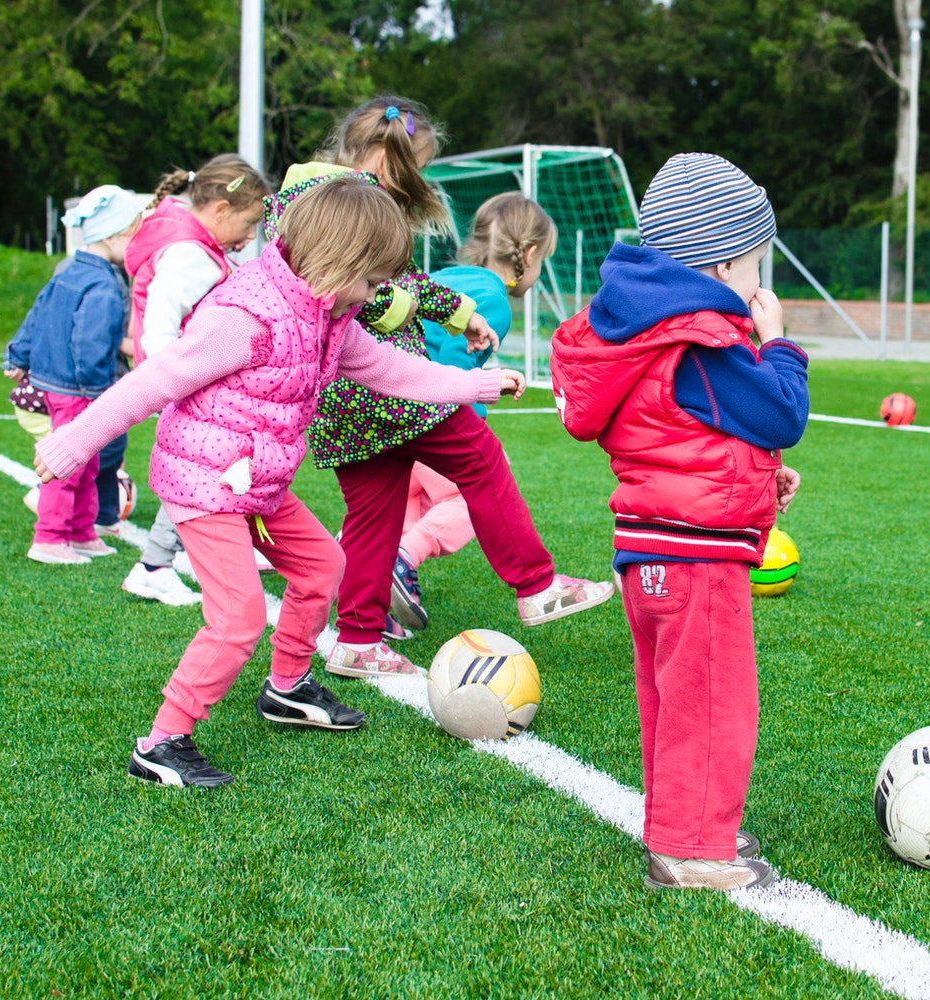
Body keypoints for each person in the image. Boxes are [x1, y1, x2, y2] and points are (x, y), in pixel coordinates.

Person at [33, 175, 526, 788]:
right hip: (206, 484)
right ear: (338, 261)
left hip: (258, 485)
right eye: (374, 282)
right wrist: (72, 442)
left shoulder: (329, 314)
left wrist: (476, 384)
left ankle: (287, 688)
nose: (378, 296)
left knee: (324, 566)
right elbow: (154, 381)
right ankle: (161, 742)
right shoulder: (246, 317)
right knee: (238, 617)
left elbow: (389, 369)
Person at [266, 96, 613, 679]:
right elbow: (362, 291)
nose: (415, 182)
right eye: (414, 168)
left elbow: (399, 278)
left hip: (342, 398)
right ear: (383, 156)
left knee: (375, 514)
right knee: (480, 458)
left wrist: (460, 315)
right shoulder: (340, 200)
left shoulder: (308, 192)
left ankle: (356, 639)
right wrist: (413, 315)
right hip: (385, 385)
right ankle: (536, 585)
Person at [551, 152, 810, 891]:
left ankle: (683, 821)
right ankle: (692, 849)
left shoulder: (646, 331)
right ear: (724, 262)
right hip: (696, 559)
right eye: (757, 263)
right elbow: (780, 412)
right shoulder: (700, 338)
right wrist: (779, 343)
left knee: (673, 699)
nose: (760, 282)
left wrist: (760, 478)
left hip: (653, 549)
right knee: (711, 702)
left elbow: (682, 433)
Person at [389, 191, 559, 637]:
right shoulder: (494, 300)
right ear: (529, 254)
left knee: (402, 502)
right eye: (544, 261)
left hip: (384, 408)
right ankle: (403, 557)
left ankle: (375, 595)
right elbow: (452, 364)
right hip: (424, 413)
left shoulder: (449, 276)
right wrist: (470, 431)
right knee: (468, 497)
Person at [120, 153, 272, 607]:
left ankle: (166, 559)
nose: (249, 239)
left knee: (210, 469)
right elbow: (161, 327)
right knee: (204, 472)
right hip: (187, 384)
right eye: (248, 225)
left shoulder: (191, 241)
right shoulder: (191, 255)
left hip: (186, 381)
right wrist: (178, 380)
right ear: (221, 210)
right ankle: (154, 564)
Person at [3, 184, 142, 565]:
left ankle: (81, 531)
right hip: (78, 388)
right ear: (113, 236)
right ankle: (49, 537)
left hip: (60, 382)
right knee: (68, 462)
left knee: (88, 461)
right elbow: (90, 342)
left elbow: (37, 312)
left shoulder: (69, 270)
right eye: (134, 234)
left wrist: (18, 353)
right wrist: (100, 393)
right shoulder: (103, 284)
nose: (137, 244)